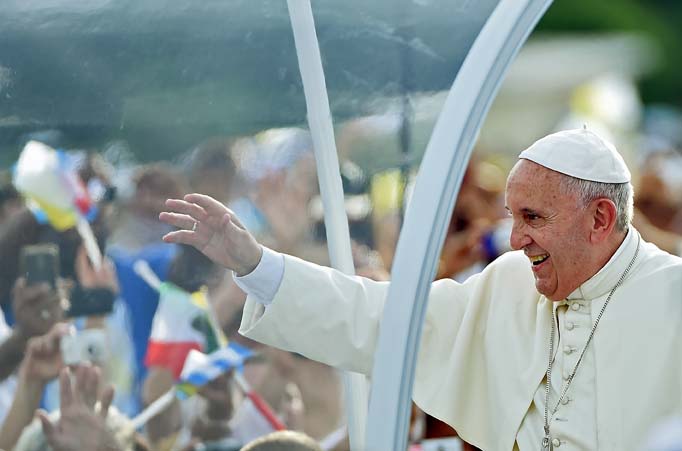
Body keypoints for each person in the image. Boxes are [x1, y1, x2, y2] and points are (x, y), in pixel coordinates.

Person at [160, 128, 682, 450]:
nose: (516, 239)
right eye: (512, 217)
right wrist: (257, 264)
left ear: (600, 217)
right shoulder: (508, 285)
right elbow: (379, 318)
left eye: (534, 217)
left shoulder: (671, 297)